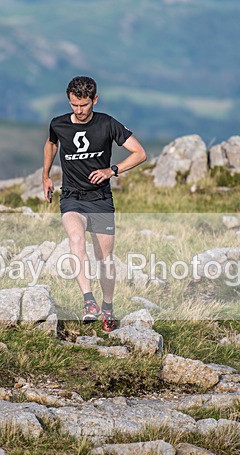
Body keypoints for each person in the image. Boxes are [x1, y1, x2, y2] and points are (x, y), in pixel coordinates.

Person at [42, 76, 146, 332]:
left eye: (84, 105)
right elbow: (51, 144)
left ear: (94, 100)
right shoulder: (58, 124)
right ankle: (89, 302)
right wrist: (45, 175)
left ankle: (107, 307)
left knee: (105, 258)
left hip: (100, 199)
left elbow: (140, 153)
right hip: (72, 197)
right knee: (76, 240)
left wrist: (112, 170)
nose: (79, 110)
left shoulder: (107, 124)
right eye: (74, 105)